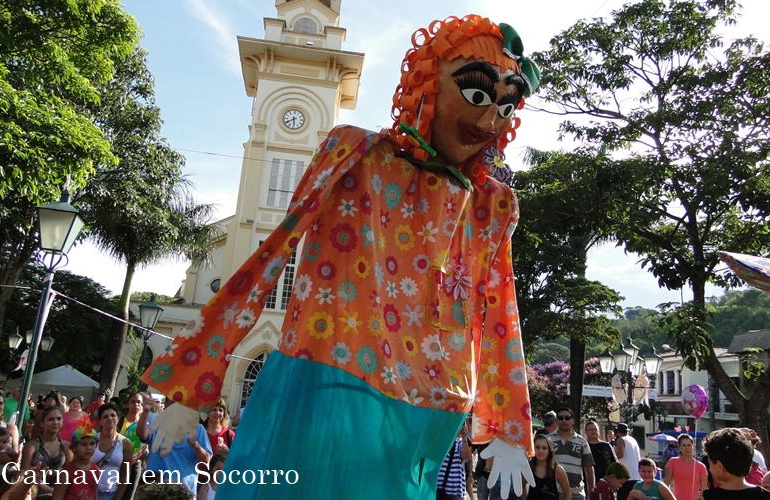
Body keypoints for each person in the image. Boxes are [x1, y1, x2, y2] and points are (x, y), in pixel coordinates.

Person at [141, 14, 541, 500]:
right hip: (327, 375)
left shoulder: (492, 205)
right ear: (428, 84)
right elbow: (272, 255)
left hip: (431, 403)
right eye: (477, 94)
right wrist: (193, 383)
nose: (486, 121)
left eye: (505, 104)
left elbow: (500, 306)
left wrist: (508, 424)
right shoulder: (356, 154)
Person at [136, 395, 211, 497]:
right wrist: (145, 412)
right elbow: (141, 434)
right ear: (166, 406)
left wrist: (196, 446)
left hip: (183, 493)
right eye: (173, 403)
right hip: (154, 491)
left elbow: (207, 461)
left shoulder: (198, 429)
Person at [490, 434, 571, 500]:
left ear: (549, 451)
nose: (540, 451)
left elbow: (567, 495)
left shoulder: (558, 470)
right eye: (537, 447)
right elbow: (522, 487)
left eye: (544, 448)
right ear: (532, 448)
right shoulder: (527, 468)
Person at [702, 428, 770, 500]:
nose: (709, 468)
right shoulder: (764, 495)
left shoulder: (709, 497)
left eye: (710, 464)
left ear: (720, 466)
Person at [21, 406, 72, 500]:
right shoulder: (31, 446)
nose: (55, 422)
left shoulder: (66, 446)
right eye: (50, 419)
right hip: (35, 495)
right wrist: (58, 472)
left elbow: (69, 475)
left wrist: (42, 476)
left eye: (59, 419)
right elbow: (25, 475)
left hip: (59, 495)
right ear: (42, 423)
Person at [549, 407, 595, 498]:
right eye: (561, 418)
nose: (564, 420)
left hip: (577, 493)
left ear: (573, 421)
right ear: (556, 421)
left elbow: (589, 471)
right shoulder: (548, 440)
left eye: (567, 417)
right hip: (555, 492)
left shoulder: (582, 442)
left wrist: (591, 495)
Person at [51, 415, 100, 500]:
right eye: (84, 444)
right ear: (74, 448)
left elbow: (94, 495)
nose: (89, 447)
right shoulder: (66, 474)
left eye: (92, 444)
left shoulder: (96, 470)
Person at [92, 404, 133, 500]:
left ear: (118, 418)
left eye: (113, 415)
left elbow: (125, 474)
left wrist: (117, 498)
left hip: (110, 494)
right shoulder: (92, 439)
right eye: (105, 416)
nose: (109, 418)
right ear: (100, 421)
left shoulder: (125, 443)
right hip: (89, 491)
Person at [116, 393, 146, 500]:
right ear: (127, 404)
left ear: (142, 405)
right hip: (118, 463)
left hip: (135, 466)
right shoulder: (119, 421)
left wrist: (144, 454)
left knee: (129, 496)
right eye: (132, 402)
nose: (135, 405)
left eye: (138, 402)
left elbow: (146, 447)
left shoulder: (145, 424)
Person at [663, 434, 707, 500]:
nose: (687, 448)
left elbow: (704, 490)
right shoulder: (672, 462)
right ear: (679, 447)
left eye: (689, 445)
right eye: (684, 445)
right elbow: (666, 484)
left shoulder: (701, 466)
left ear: (693, 446)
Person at [437, 422, 471, 500]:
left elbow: (465, 456)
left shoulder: (460, 442)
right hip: (439, 488)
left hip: (456, 491)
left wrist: (464, 438)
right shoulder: (439, 442)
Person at [615, 424, 640, 500]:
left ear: (617, 432)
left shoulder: (621, 440)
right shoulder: (633, 440)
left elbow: (620, 454)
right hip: (637, 476)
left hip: (626, 476)